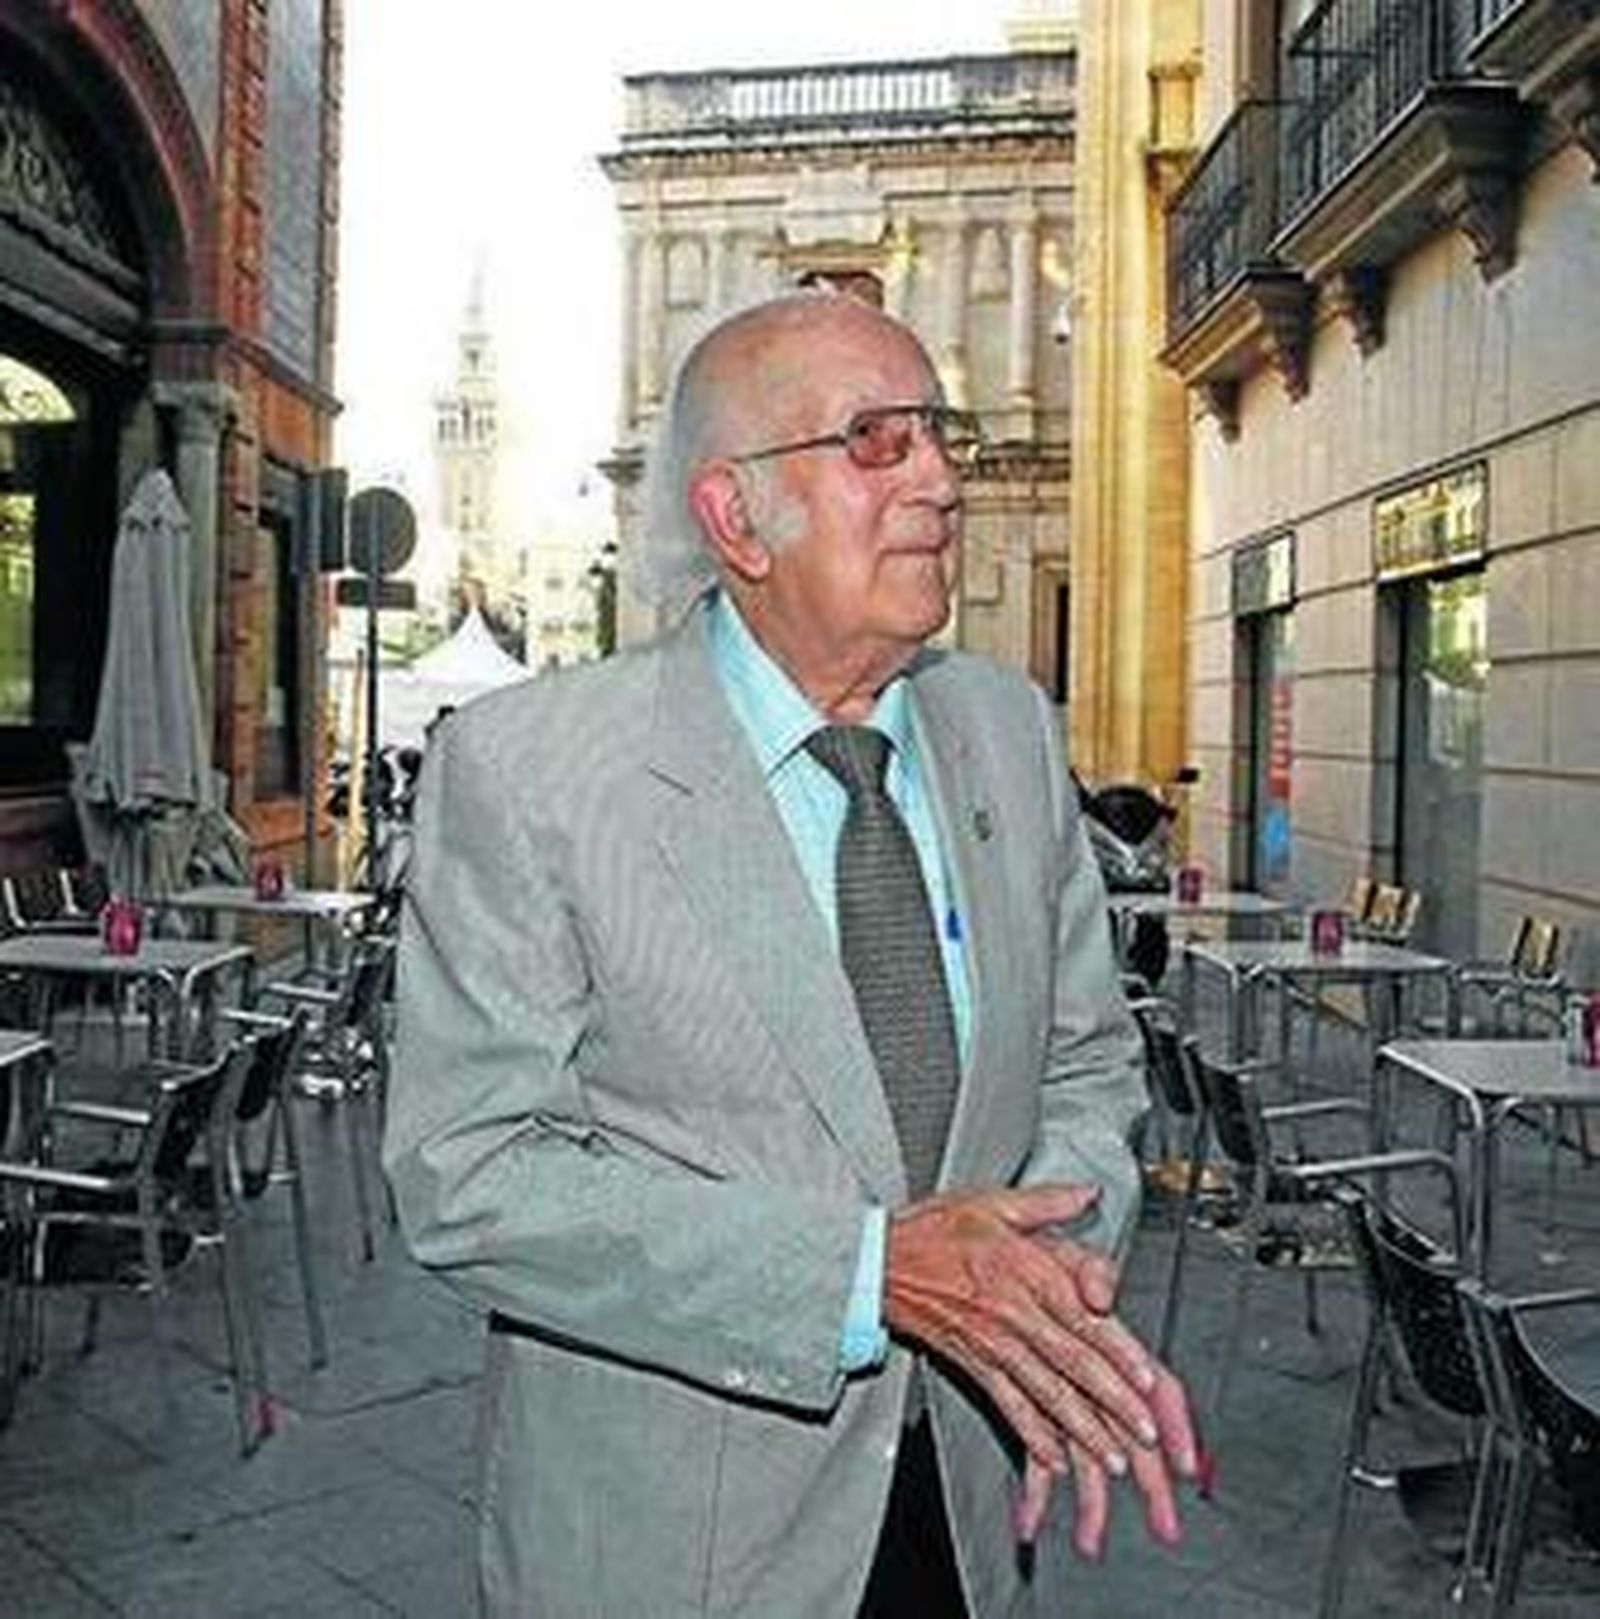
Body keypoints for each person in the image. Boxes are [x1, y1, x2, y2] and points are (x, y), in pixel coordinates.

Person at [384, 290, 1198, 1618]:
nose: (940, 477)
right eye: (877, 440)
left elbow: (1088, 1063)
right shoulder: (530, 771)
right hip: (679, 1553)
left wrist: (1041, 1289)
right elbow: (468, 1173)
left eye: (942, 435)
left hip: (973, 1512)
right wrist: (870, 1277)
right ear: (733, 516)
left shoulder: (1006, 729)